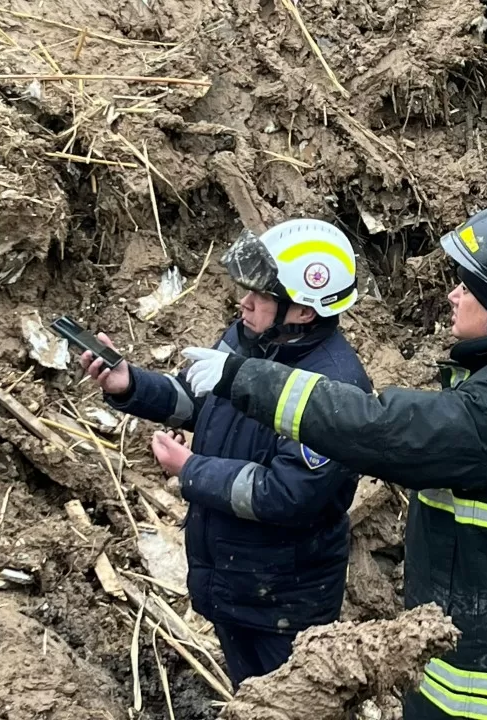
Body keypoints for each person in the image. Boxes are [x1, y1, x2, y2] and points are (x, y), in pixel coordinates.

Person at [174, 204, 487, 719]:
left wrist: (244, 379)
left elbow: (381, 429)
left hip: (480, 670)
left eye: (469, 288)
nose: (453, 295)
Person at [77, 219, 373, 688]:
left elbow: (288, 493)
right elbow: (198, 402)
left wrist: (190, 469)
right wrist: (129, 384)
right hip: (231, 583)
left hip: (283, 602)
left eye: (261, 296)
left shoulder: (334, 388)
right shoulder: (247, 338)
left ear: (304, 311)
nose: (245, 302)